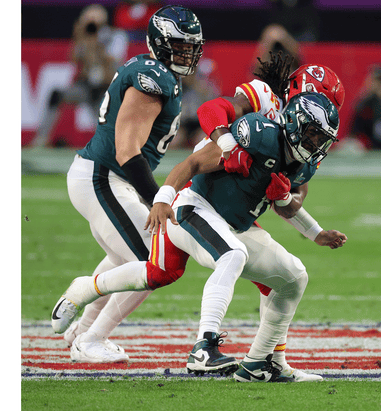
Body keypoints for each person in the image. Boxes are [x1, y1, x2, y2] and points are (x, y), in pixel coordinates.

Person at [61, 51, 346, 381]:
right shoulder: (263, 110)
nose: (324, 117)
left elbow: (293, 193)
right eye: (320, 103)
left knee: (288, 276)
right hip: (200, 196)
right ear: (300, 93)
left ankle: (262, 363)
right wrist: (228, 144)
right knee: (225, 256)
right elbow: (212, 111)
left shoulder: (308, 147)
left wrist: (297, 208)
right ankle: (203, 348)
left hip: (237, 215)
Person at [57, 5, 233, 364]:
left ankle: (83, 332)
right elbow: (126, 151)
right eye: (180, 46)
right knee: (154, 260)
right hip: (103, 177)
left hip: (107, 178)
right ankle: (91, 339)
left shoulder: (161, 74)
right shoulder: (153, 76)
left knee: (128, 258)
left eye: (191, 46)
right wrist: (159, 198)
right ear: (160, 44)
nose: (188, 53)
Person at [32, 4, 129, 147]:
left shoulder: (116, 35)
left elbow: (113, 60)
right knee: (56, 95)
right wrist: (79, 37)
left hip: (106, 89)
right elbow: (74, 59)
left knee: (109, 135)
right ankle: (41, 138)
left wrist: (97, 43)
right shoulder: (85, 36)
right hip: (86, 87)